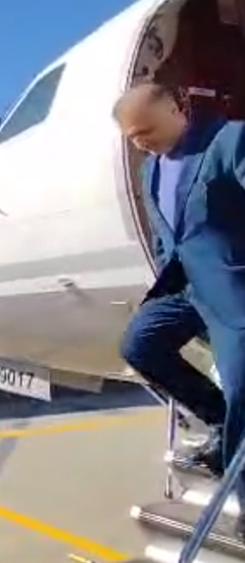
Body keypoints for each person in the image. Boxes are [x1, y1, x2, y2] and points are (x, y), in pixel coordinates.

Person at [114, 81, 245, 535]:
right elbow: (169, 237)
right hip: (185, 291)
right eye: (132, 137)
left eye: (145, 130)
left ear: (176, 109)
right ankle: (219, 422)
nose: (140, 142)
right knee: (139, 345)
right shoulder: (151, 171)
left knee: (243, 391)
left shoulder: (228, 141)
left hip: (233, 291)